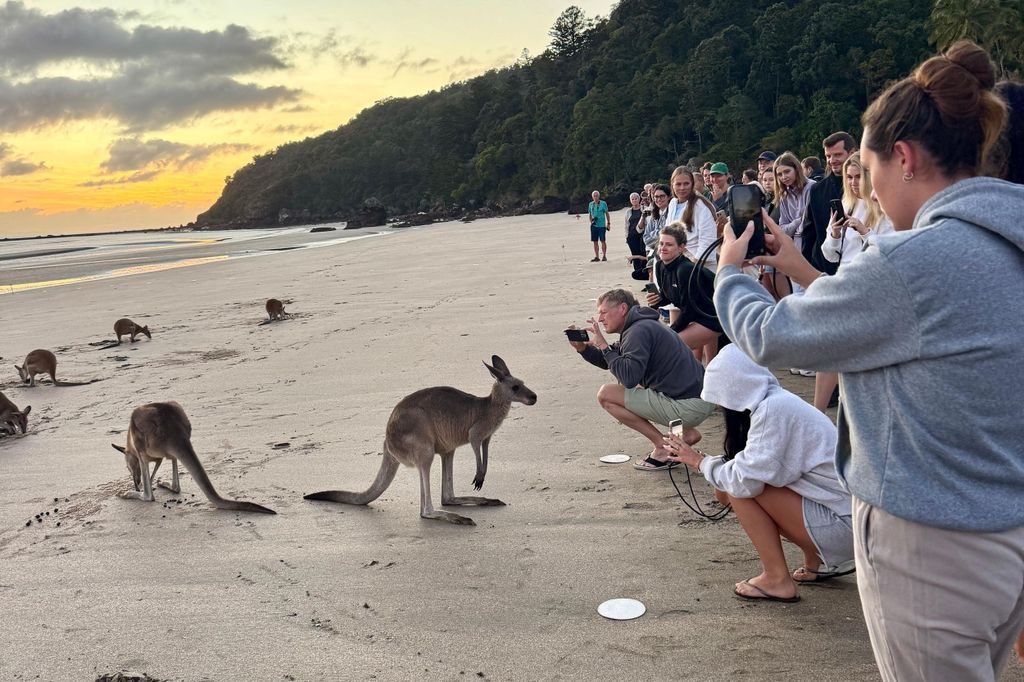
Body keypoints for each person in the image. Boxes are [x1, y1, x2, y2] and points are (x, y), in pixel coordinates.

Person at [714, 41, 1024, 682]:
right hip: (1007, 533)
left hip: (930, 540)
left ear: (903, 158)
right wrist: (799, 268)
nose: (869, 181)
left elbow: (771, 335)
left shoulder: (912, 263)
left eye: (867, 163)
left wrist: (728, 274)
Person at [663, 345, 853, 602]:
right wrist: (707, 463)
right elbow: (758, 468)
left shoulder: (772, 412)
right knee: (735, 485)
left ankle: (777, 579)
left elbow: (743, 484)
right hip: (851, 516)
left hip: (845, 528)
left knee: (738, 489)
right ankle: (815, 561)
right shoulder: (777, 400)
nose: (720, 407)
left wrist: (698, 461)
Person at [567, 289, 715, 471]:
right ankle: (686, 435)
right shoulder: (641, 325)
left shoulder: (637, 331)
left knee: (606, 394)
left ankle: (663, 447)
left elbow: (628, 378)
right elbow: (610, 362)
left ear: (622, 309)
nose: (600, 319)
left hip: (689, 406)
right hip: (699, 400)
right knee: (633, 385)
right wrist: (583, 349)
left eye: (603, 312)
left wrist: (604, 346)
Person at [646, 223, 723, 362]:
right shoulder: (660, 266)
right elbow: (669, 296)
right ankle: (699, 377)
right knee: (696, 358)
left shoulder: (685, 270)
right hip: (699, 313)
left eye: (669, 245)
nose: (663, 248)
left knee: (671, 343)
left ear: (681, 248)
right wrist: (657, 300)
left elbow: (688, 310)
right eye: (661, 243)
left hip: (715, 317)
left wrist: (670, 331)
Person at [799, 132, 856, 275]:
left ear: (852, 153)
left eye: (837, 155)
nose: (832, 160)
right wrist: (807, 268)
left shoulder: (865, 188)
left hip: (857, 266)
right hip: (824, 267)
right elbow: (809, 231)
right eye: (828, 156)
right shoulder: (817, 190)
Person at [665, 167, 718, 270]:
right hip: (677, 261)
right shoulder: (672, 203)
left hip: (700, 265)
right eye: (678, 184)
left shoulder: (700, 206)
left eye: (686, 183)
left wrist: (691, 266)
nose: (682, 188)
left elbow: (707, 241)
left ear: (692, 184)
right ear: (672, 185)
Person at [624, 192, 647, 279]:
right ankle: (637, 272)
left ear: (639, 199)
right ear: (630, 201)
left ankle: (644, 271)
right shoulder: (628, 212)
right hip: (632, 236)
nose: (634, 200)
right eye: (632, 199)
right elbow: (626, 225)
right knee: (635, 254)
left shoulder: (644, 209)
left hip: (642, 235)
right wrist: (626, 236)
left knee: (643, 253)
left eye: (636, 198)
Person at [587, 190, 610, 262]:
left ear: (599, 196)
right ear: (592, 197)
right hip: (594, 226)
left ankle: (604, 256)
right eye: (594, 196)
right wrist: (591, 222)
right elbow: (590, 214)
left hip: (602, 225)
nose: (595, 197)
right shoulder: (591, 204)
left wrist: (608, 223)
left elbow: (607, 213)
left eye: (597, 196)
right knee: (595, 241)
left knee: (603, 240)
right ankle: (597, 256)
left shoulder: (603, 203)